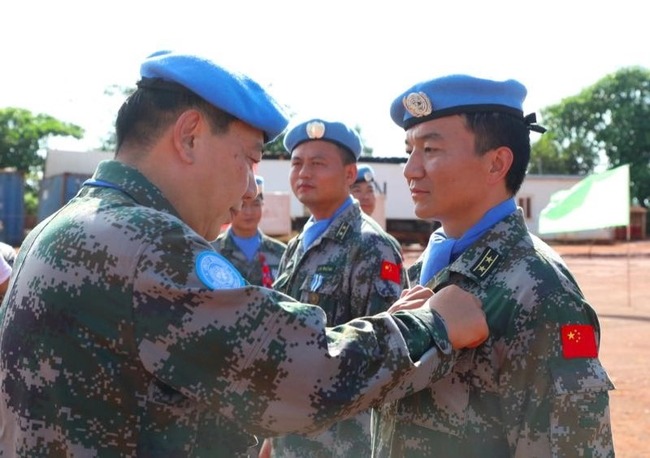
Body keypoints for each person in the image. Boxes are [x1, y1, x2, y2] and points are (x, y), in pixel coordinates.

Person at [0, 50, 488, 457]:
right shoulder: (147, 243)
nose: (252, 183)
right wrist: (432, 325)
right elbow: (295, 373)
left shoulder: (64, 226)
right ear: (189, 136)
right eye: (249, 159)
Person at [371, 74, 615, 457]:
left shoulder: (541, 292)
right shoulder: (423, 274)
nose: (410, 170)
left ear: (497, 163)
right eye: (409, 151)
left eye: (430, 149)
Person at [268, 119, 409, 457]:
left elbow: (385, 352)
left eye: (318, 164)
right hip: (293, 433)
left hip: (344, 443)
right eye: (297, 163)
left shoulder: (371, 247)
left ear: (349, 175)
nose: (304, 173)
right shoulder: (297, 245)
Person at [212, 175, 287, 287]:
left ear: (262, 205)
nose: (249, 212)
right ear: (231, 207)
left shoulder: (281, 253)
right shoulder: (212, 251)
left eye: (255, 204)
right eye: (242, 205)